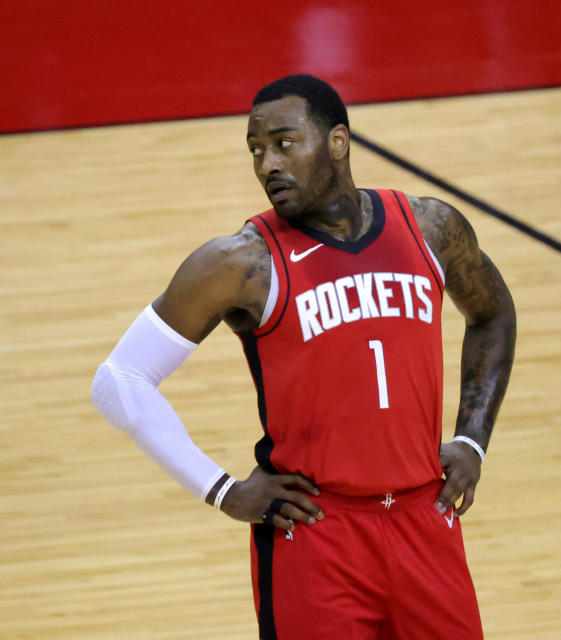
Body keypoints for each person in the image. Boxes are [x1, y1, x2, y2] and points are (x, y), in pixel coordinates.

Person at [91, 74, 516, 639]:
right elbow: (119, 378)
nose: (268, 164)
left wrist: (471, 439)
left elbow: (492, 314)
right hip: (316, 532)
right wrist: (221, 490)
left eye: (284, 143)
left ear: (337, 141)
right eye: (255, 150)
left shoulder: (430, 228)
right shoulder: (241, 262)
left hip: (424, 517)